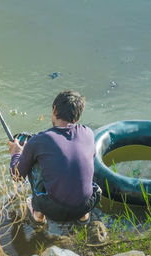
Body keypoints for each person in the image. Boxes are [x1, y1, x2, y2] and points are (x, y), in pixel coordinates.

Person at [8, 90, 101, 224]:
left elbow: (16, 176)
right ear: (78, 117)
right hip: (86, 204)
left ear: (55, 109)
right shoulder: (88, 133)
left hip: (54, 211)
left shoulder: (40, 140)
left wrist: (16, 153)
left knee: (34, 164)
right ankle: (84, 218)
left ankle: (38, 215)